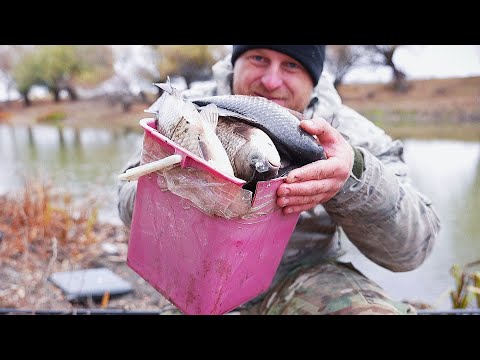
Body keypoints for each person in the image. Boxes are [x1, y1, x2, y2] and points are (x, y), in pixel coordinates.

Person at [118, 45, 441, 315]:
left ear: (313, 76)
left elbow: (410, 252)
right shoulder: (185, 111)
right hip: (199, 278)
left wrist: (353, 176)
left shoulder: (354, 135)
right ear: (236, 61)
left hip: (305, 272)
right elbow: (127, 208)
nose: (272, 81)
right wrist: (182, 180)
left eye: (291, 65)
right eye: (259, 58)